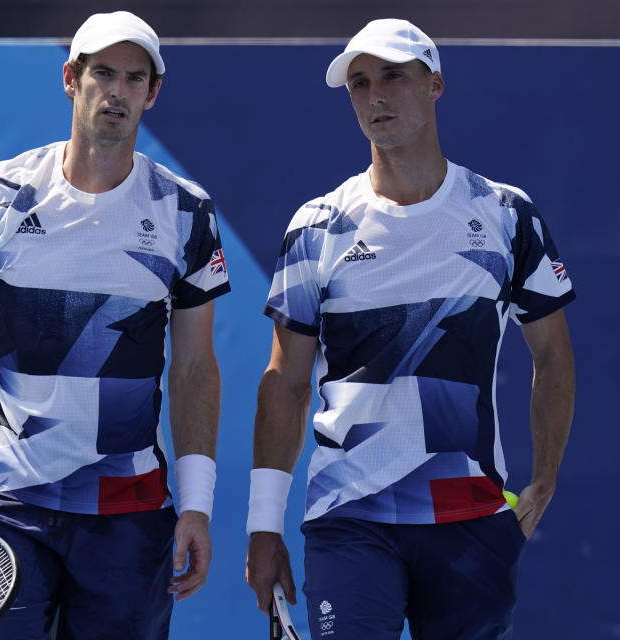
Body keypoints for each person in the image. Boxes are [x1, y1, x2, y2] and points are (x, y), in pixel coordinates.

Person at [0, 11, 230, 639]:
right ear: (71, 79)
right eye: (103, 73)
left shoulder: (187, 212)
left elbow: (193, 367)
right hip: (10, 508)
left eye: (135, 79)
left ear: (152, 93)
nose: (118, 92)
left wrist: (199, 505)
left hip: (130, 515)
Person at [245, 18, 575, 640]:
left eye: (393, 77)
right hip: (349, 518)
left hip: (472, 519)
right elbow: (284, 381)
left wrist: (546, 479)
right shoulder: (317, 225)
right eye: (360, 83)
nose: (375, 96)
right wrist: (264, 526)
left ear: (435, 86)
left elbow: (552, 354)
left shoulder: (505, 214)